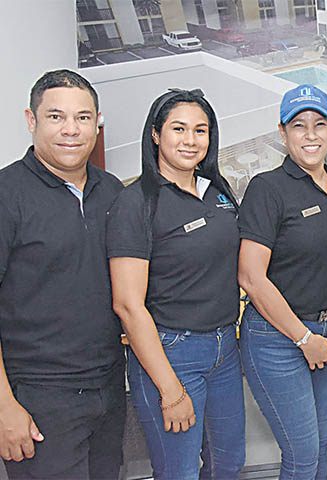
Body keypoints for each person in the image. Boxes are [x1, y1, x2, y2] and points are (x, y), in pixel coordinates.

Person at [107, 88, 245, 479]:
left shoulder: (217, 191)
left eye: (200, 130)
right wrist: (170, 389)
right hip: (172, 353)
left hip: (224, 349)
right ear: (155, 134)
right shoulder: (136, 202)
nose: (191, 140)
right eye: (178, 129)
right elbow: (127, 304)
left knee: (228, 464)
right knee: (179, 472)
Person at [237, 84, 327, 480]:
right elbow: (250, 276)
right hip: (277, 340)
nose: (310, 134)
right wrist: (303, 338)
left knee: (320, 448)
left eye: (319, 124)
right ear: (283, 133)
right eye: (298, 125)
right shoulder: (267, 188)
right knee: (303, 454)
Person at [0, 70, 126, 478]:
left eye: (83, 117)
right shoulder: (7, 194)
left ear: (97, 123)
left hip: (108, 387)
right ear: (31, 120)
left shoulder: (113, 192)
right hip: (39, 398)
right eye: (56, 116)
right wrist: (4, 407)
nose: (71, 129)